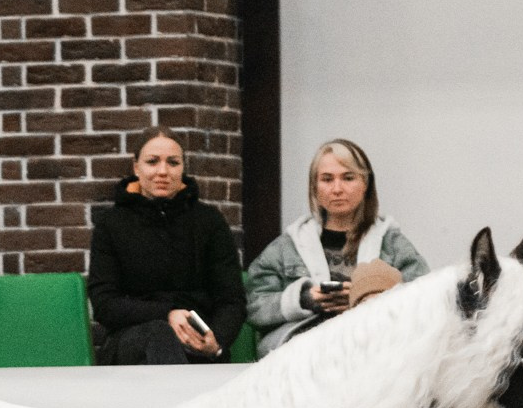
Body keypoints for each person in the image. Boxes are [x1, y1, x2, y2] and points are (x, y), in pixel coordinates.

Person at [244, 139, 429, 354]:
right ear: (314, 187)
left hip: (372, 349)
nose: (337, 189)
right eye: (327, 179)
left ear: (365, 184)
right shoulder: (288, 246)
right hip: (304, 353)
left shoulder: (391, 244)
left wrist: (374, 298)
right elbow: (254, 305)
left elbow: (425, 298)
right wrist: (304, 299)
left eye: (348, 178)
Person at [87, 128, 247, 364]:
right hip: (131, 342)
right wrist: (166, 314)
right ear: (136, 168)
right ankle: (186, 399)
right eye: (152, 162)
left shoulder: (209, 221)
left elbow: (231, 299)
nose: (163, 171)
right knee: (160, 334)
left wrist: (217, 339)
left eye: (173, 162)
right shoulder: (112, 224)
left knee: (189, 349)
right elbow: (104, 304)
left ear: (183, 168)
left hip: (198, 341)